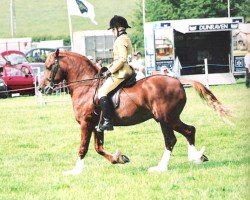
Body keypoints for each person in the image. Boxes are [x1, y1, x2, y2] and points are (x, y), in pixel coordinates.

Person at [97, 15, 135, 131]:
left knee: (101, 92)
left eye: (113, 29)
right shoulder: (125, 37)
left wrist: (110, 71)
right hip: (123, 70)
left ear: (117, 28)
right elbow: (118, 59)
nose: (112, 32)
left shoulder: (120, 39)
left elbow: (122, 59)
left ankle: (108, 121)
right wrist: (108, 67)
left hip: (121, 73)